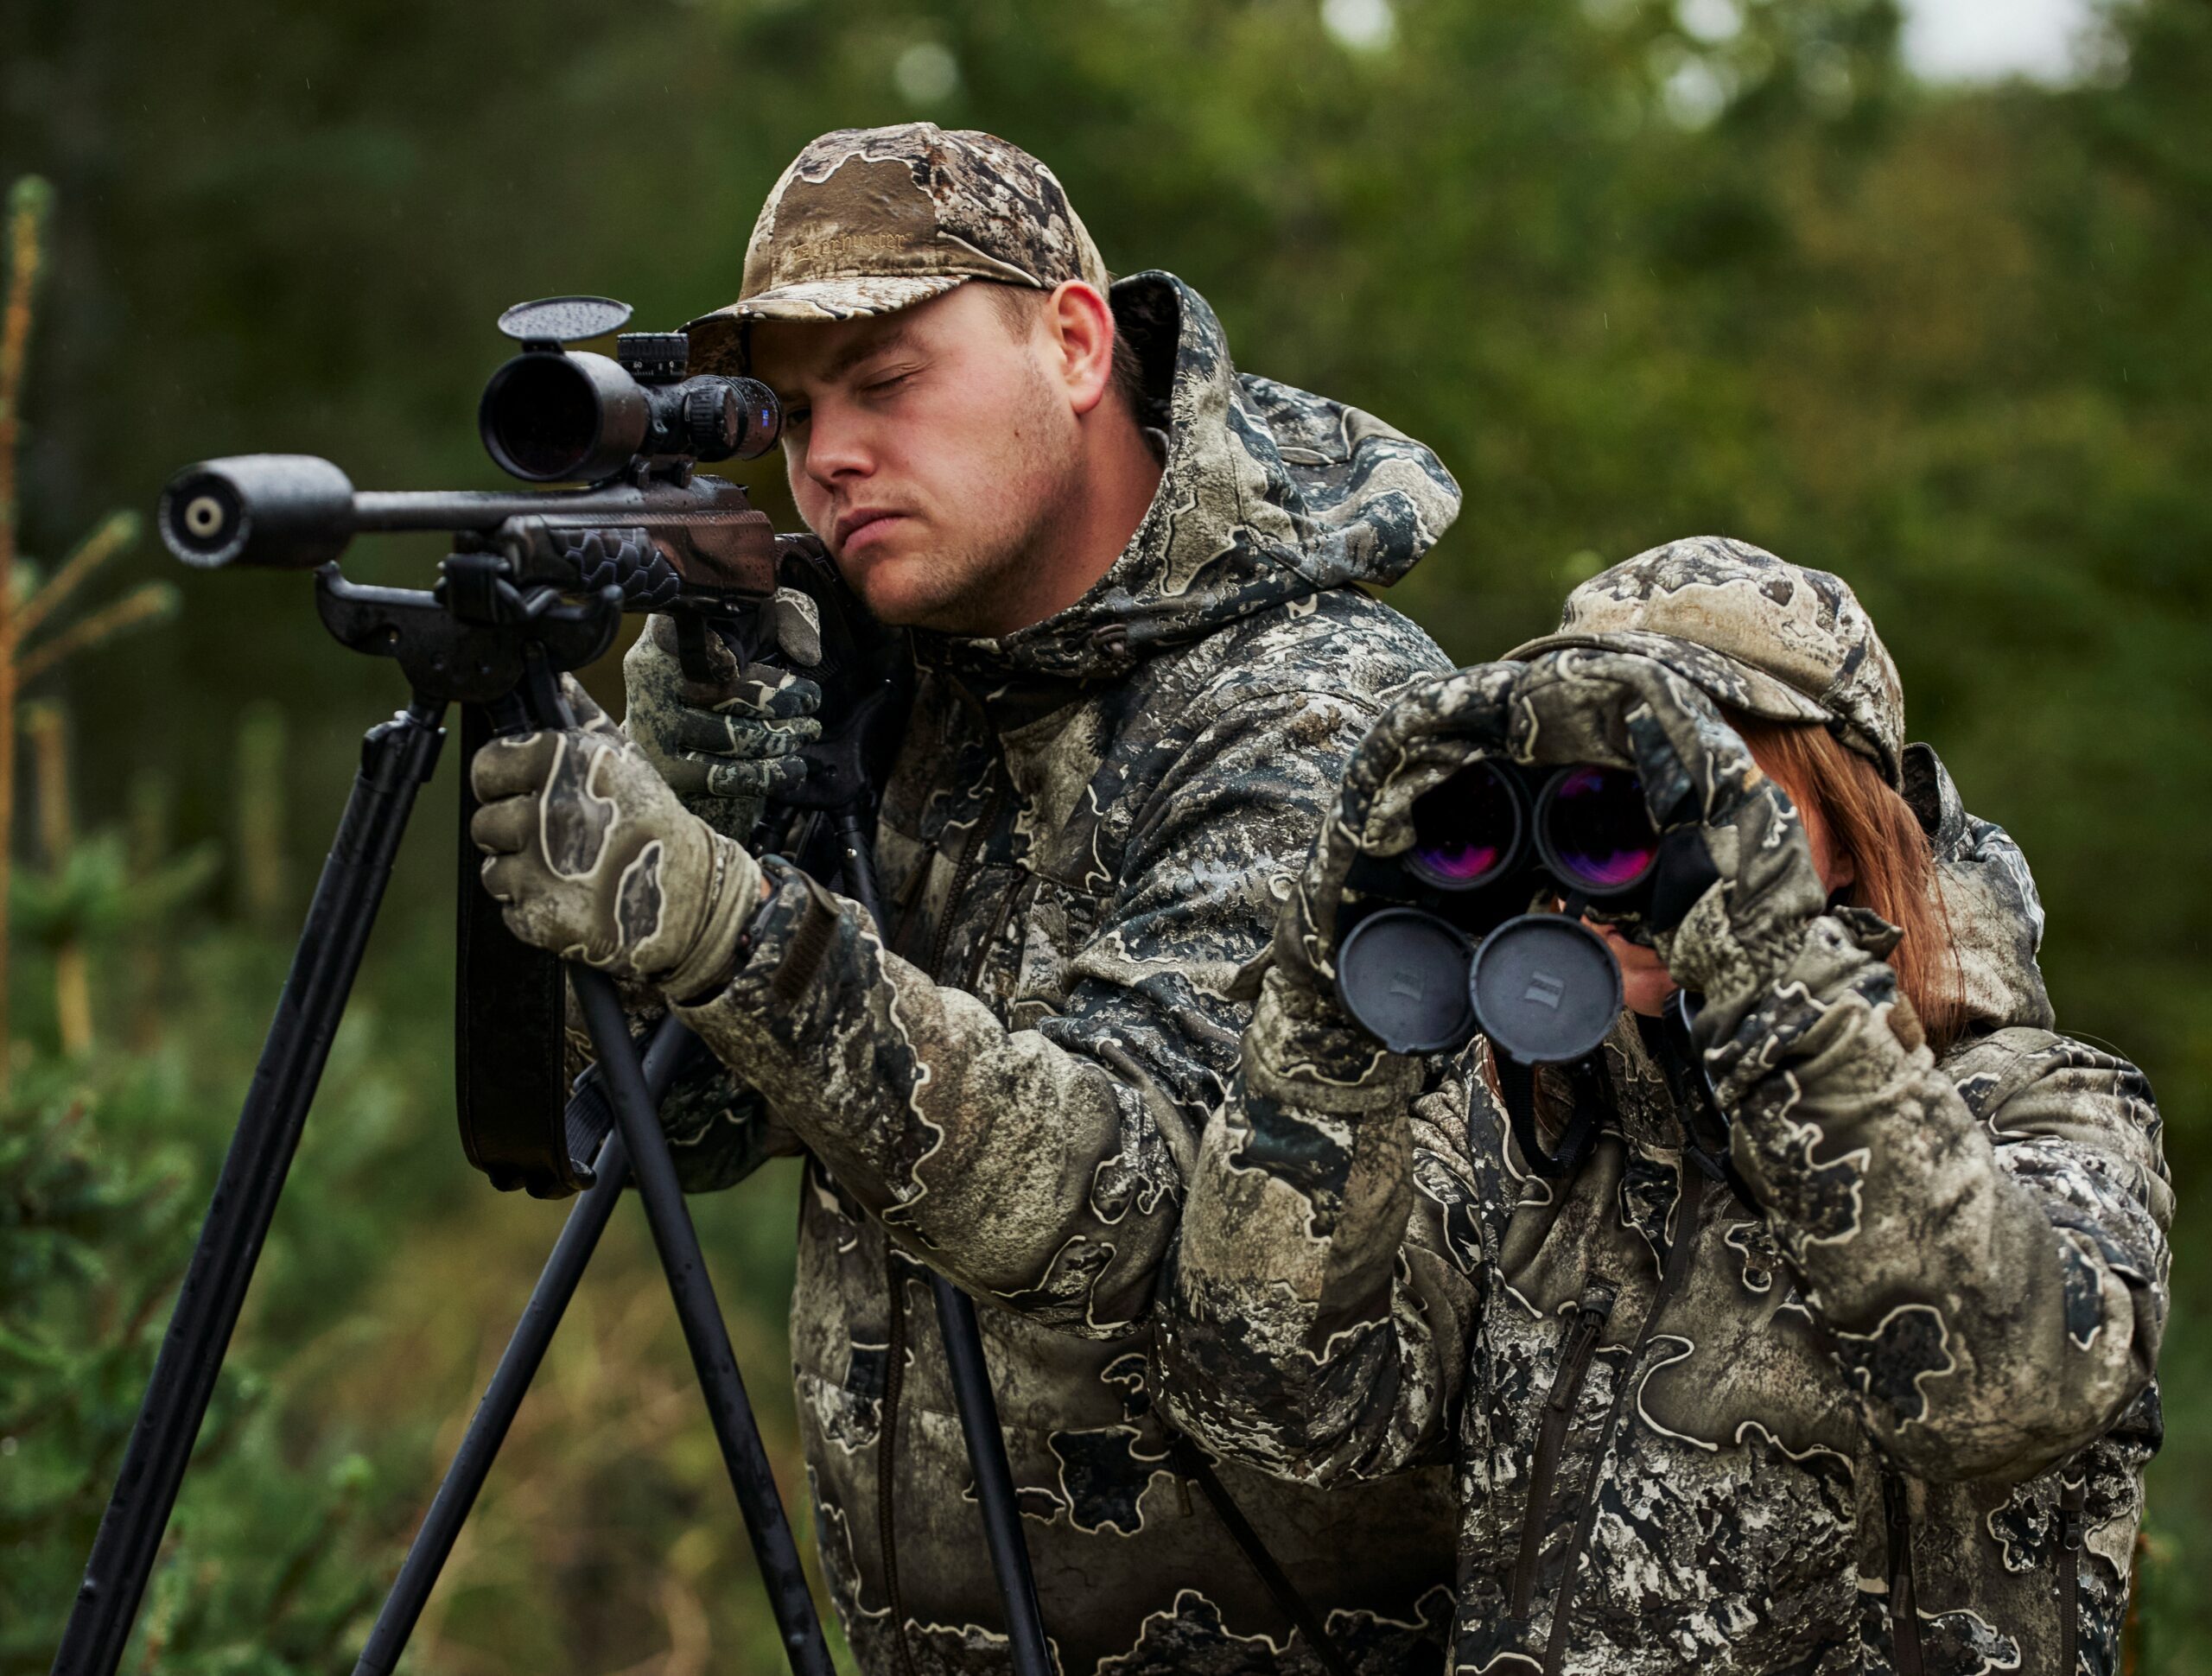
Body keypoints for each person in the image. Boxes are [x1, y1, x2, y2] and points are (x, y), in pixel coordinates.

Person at [468, 124, 1466, 1673]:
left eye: (887, 380)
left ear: (1072, 342)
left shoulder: (1321, 713)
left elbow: (1146, 1215)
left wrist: (724, 917)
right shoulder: (889, 681)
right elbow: (670, 1134)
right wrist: (705, 778)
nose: (827, 458)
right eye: (791, 414)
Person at [1157, 536, 2169, 1673]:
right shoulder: (1529, 1127)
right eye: (1584, 790)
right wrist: (1323, 1014)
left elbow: (2002, 1392)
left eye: (1688, 783)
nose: (1628, 833)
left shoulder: (2053, 1109)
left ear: (1845, 825)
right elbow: (1275, 1403)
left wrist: (1766, 968)